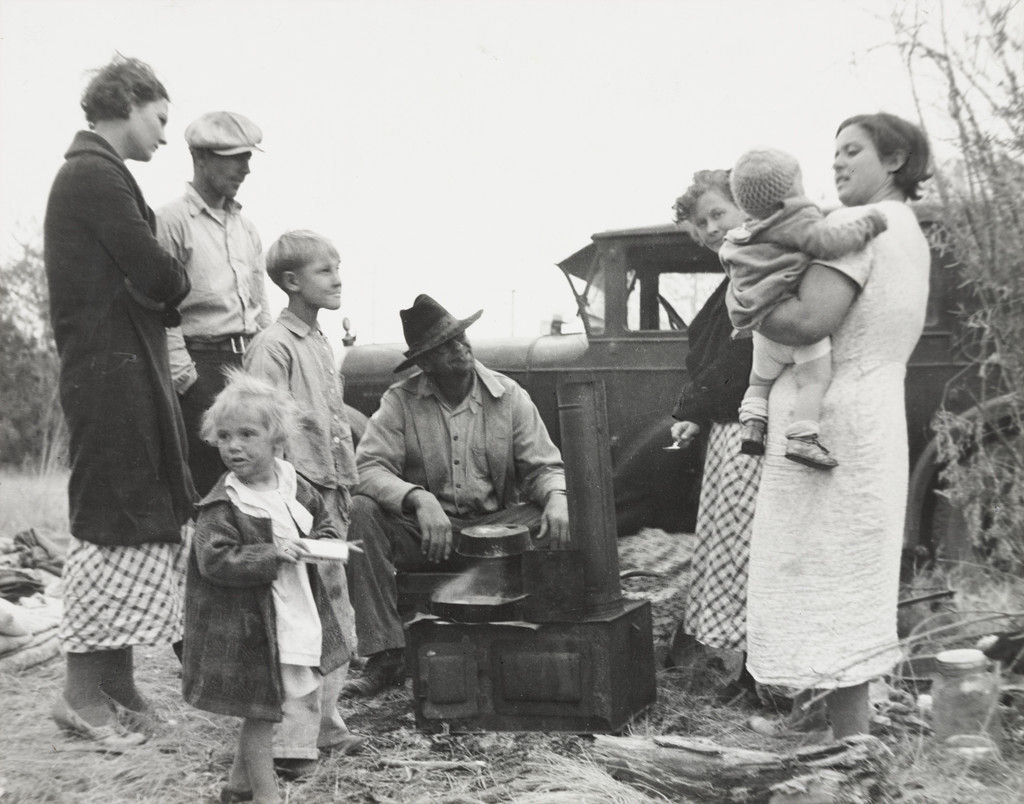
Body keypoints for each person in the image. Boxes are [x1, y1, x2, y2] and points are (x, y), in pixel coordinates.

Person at [744, 112, 933, 739]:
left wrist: (743, 302)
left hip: (833, 421)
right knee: (839, 578)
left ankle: (847, 745)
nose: (838, 163)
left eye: (853, 151)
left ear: (896, 160)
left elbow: (804, 323)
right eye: (835, 153)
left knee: (828, 579)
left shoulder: (858, 232)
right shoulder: (907, 228)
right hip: (866, 414)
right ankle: (826, 727)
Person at [43, 56, 195, 749]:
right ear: (129, 102)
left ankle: (116, 679)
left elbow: (159, 291)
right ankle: (79, 692)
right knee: (109, 521)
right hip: (109, 378)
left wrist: (156, 290)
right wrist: (158, 286)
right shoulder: (94, 176)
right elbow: (163, 276)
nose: (165, 136)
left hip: (124, 371)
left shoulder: (106, 175)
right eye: (161, 118)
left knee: (135, 511)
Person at [342, 294, 571, 697]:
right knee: (361, 512)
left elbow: (543, 468)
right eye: (445, 345)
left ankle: (542, 638)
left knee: (558, 511)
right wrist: (418, 499)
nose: (460, 347)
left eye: (461, 336)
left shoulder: (509, 396)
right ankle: (386, 655)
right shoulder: (400, 402)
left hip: (493, 537)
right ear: (425, 362)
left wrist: (556, 495)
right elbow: (365, 469)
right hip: (428, 536)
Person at [182, 371, 351, 804]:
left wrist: (327, 542)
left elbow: (323, 518)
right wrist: (272, 555)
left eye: (246, 434)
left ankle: (238, 786)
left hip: (293, 613)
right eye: (223, 436)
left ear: (277, 441)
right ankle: (266, 796)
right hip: (251, 624)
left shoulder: (291, 482)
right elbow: (214, 559)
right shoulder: (225, 503)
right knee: (262, 710)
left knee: (267, 703)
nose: (233, 446)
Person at [243, 230, 363, 779]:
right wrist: (287, 501)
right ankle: (292, 743)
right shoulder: (275, 346)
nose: (337, 278)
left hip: (330, 490)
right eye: (324, 270)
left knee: (336, 609)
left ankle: (326, 725)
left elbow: (330, 419)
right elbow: (265, 426)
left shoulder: (318, 340)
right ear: (291, 282)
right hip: (297, 497)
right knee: (300, 615)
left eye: (338, 267)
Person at [719, 147, 889, 469]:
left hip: (763, 333)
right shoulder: (794, 220)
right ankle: (802, 438)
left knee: (759, 382)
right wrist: (870, 224)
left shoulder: (740, 235)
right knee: (813, 381)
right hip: (795, 329)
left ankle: (753, 426)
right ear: (792, 188)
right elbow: (829, 243)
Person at [667, 170, 763, 704]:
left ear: (746, 206)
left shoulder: (761, 270)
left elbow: (741, 355)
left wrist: (694, 405)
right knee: (736, 551)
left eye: (717, 214)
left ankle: (762, 674)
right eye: (701, 223)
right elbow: (712, 358)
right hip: (729, 432)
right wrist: (698, 415)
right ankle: (752, 670)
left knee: (751, 552)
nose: (709, 229)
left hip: (754, 431)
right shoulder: (732, 279)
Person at [157, 110, 270, 496]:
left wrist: (265, 367)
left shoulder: (246, 228)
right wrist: (187, 380)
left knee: (257, 484)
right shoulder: (171, 221)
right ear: (201, 158)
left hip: (247, 367)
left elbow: (260, 304)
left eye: (248, 158)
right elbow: (159, 308)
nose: (245, 169)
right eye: (235, 157)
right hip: (199, 366)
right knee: (208, 486)